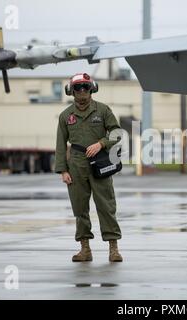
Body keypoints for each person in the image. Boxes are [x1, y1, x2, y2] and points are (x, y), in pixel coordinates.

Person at [55, 73, 123, 262]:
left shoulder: (102, 110)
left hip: (100, 162)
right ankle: (85, 249)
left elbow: (117, 133)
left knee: (106, 205)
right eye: (78, 88)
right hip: (76, 164)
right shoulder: (65, 116)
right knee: (79, 208)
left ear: (92, 87)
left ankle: (113, 249)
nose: (82, 91)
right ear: (71, 91)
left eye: (85, 87)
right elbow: (60, 145)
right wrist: (63, 170)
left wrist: (101, 143)